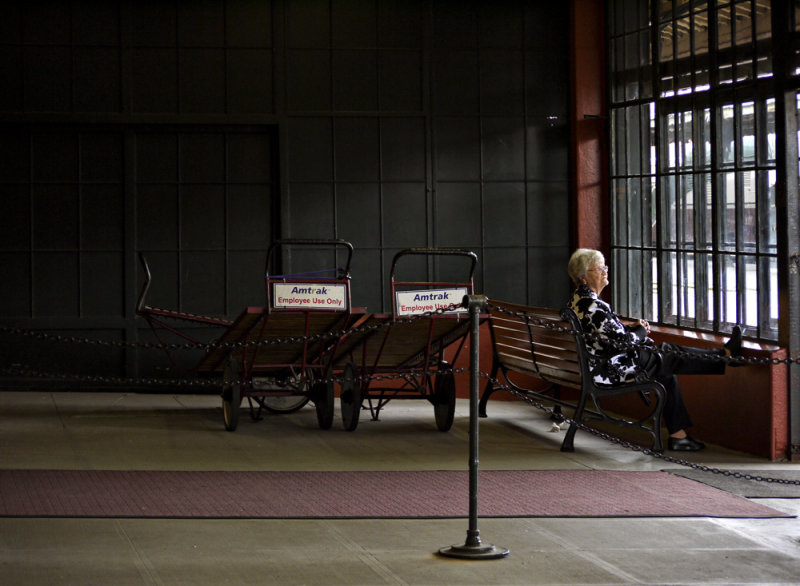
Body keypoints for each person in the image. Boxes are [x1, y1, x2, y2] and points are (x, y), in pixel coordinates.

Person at [565, 248, 743, 452]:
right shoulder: (593, 306)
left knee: (666, 371)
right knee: (669, 352)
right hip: (610, 370)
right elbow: (623, 342)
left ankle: (679, 437)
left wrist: (629, 329)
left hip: (601, 364)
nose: (605, 271)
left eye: (604, 267)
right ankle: (728, 356)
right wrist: (640, 330)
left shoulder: (578, 300)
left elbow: (604, 335)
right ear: (583, 278)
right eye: (598, 269)